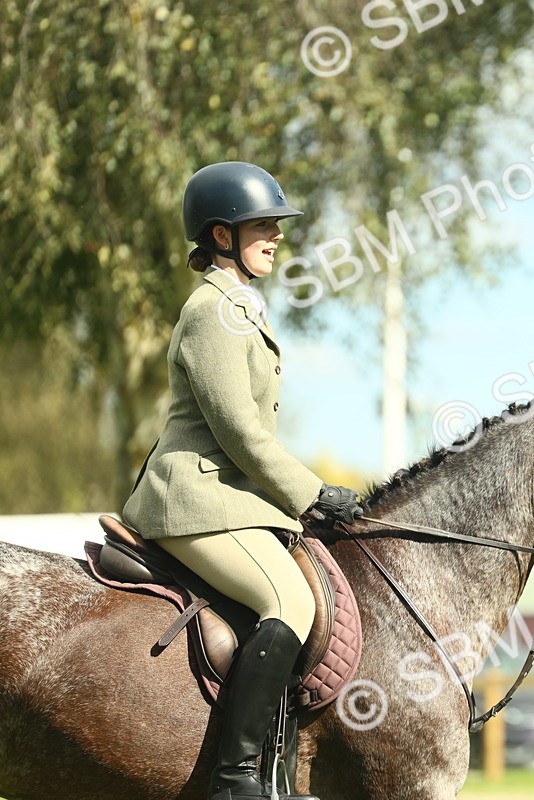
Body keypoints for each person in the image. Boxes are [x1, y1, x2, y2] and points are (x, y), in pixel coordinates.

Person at [122, 162, 363, 800]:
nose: (277, 236)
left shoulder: (241, 309)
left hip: (227, 498)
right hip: (191, 497)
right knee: (291, 603)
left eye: (276, 226)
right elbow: (242, 436)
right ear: (222, 235)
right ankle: (234, 780)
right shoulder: (212, 311)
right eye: (264, 225)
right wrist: (312, 494)